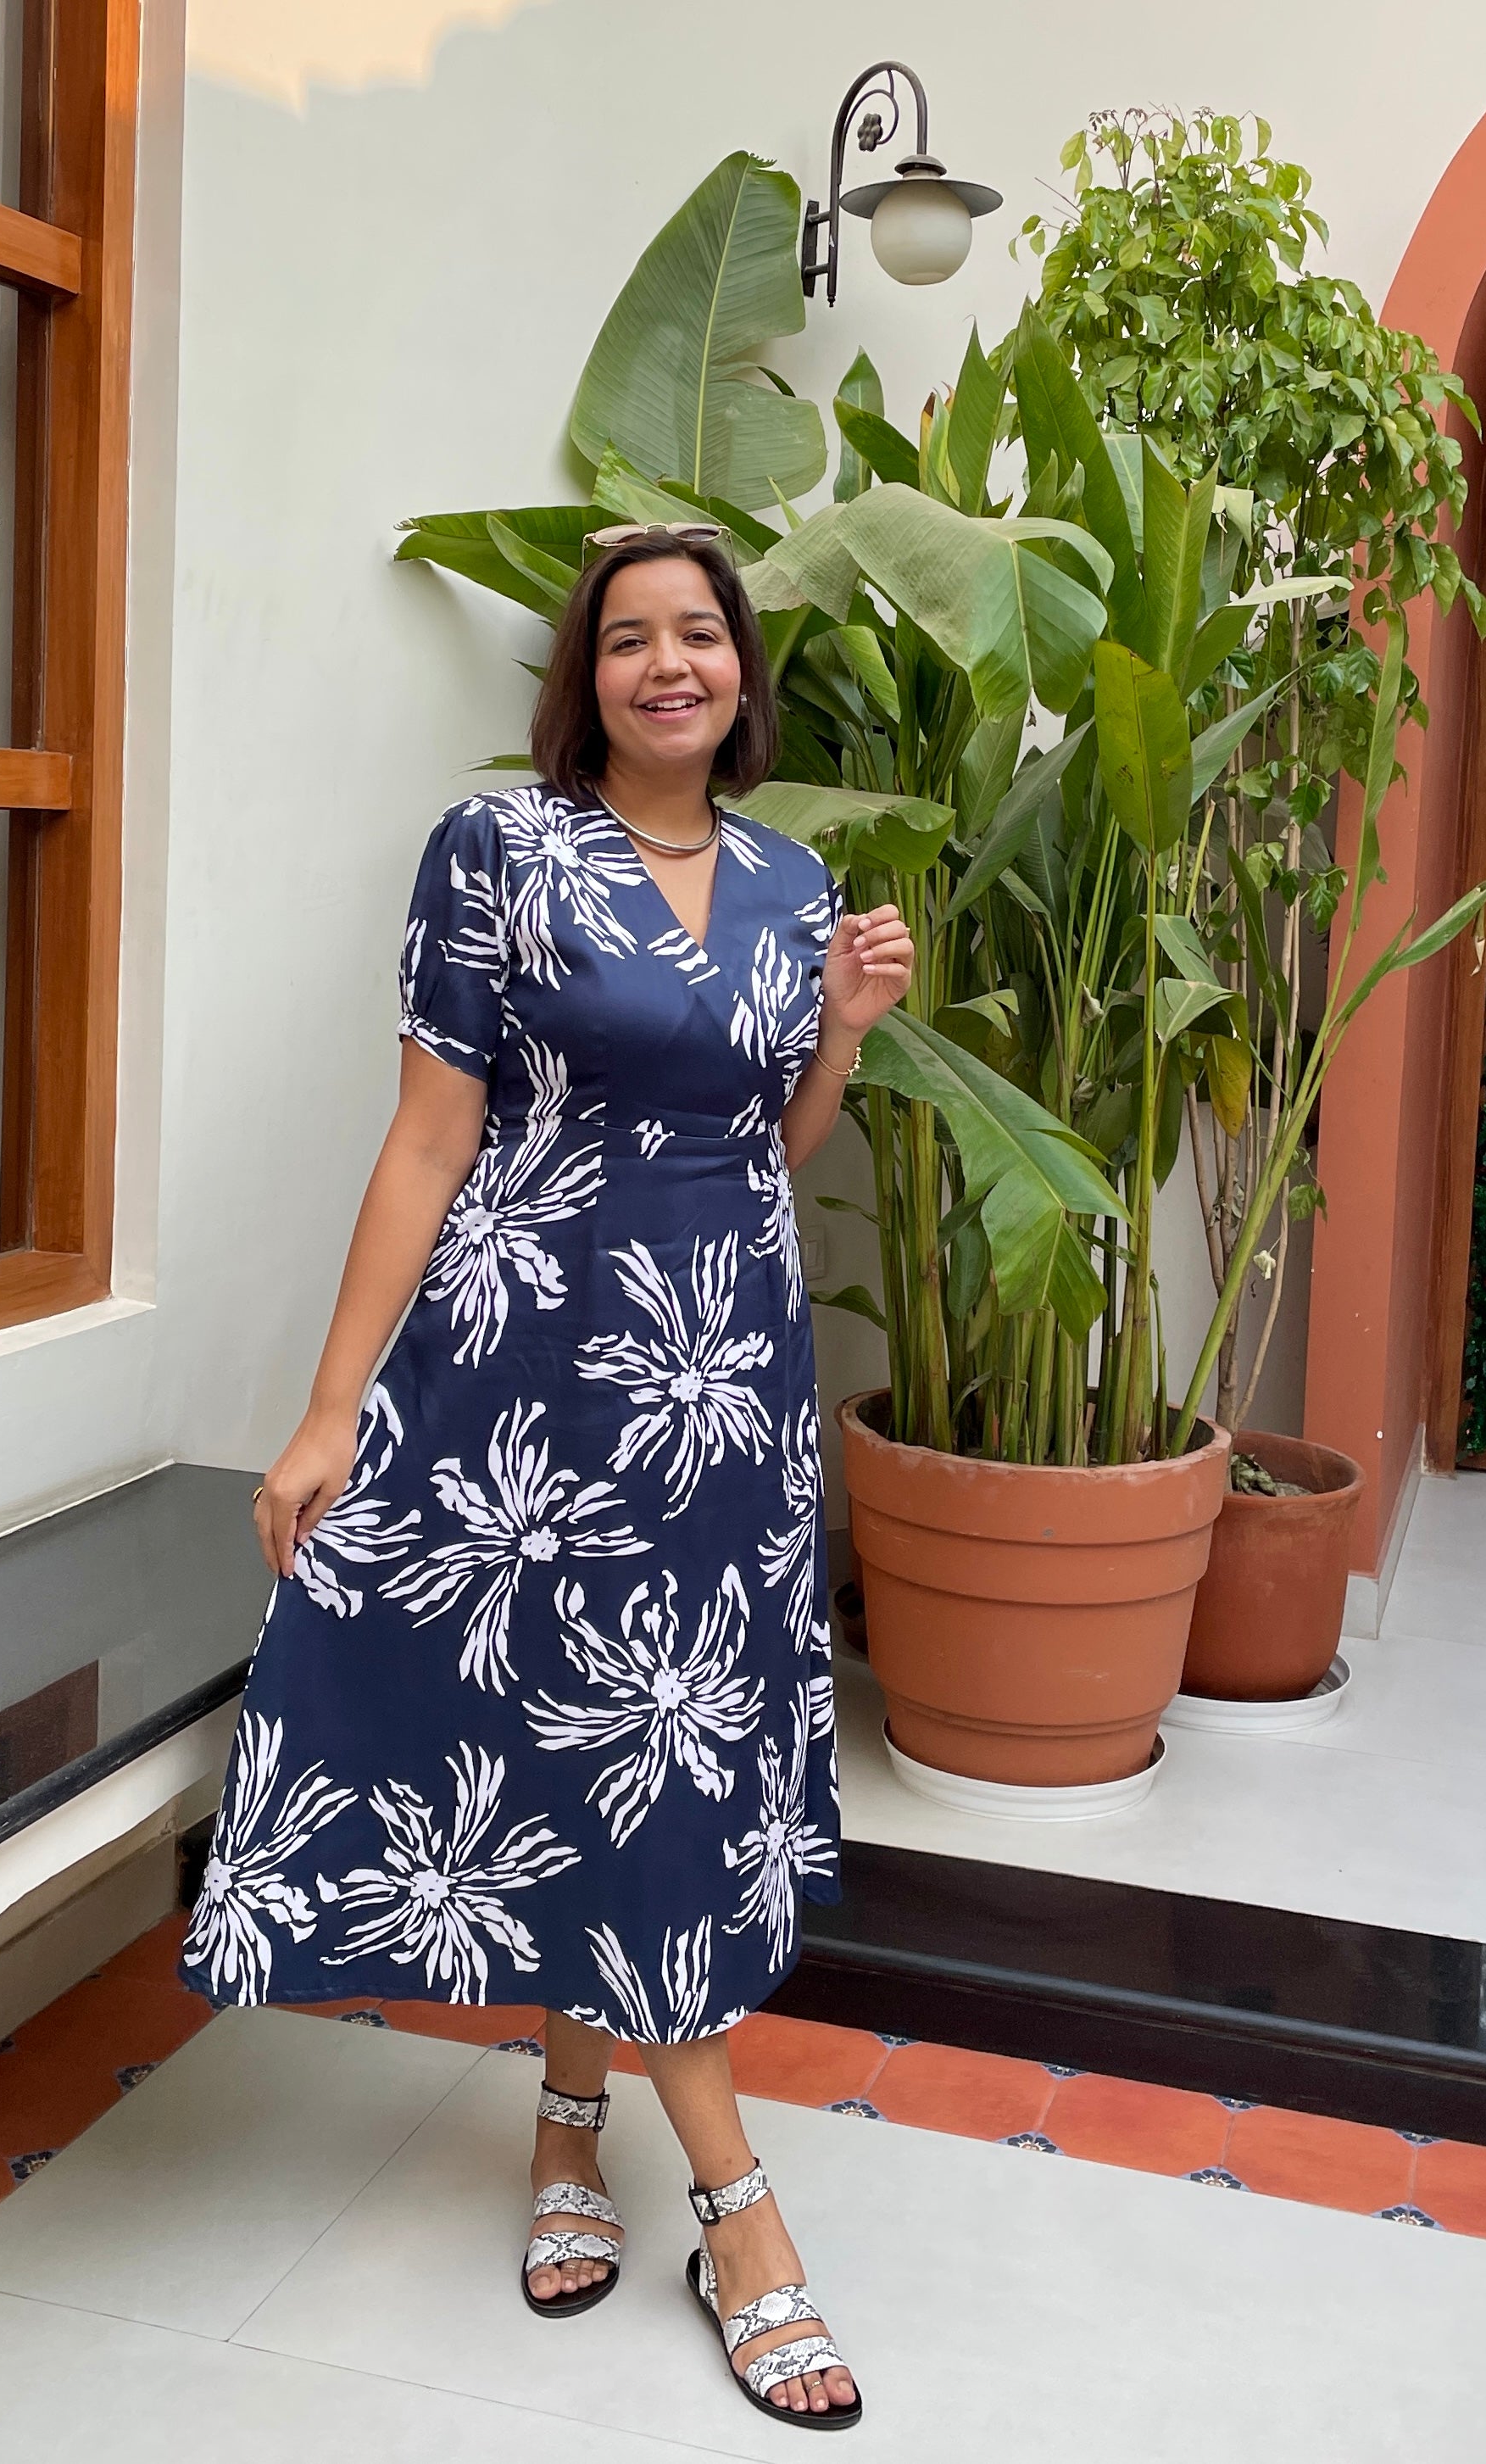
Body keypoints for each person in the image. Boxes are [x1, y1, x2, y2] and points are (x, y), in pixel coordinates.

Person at [181, 522, 914, 2429]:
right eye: (626, 640)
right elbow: (427, 1143)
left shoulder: (786, 879)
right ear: (582, 678)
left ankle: (569, 2127)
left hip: (729, 1386)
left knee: (653, 1747)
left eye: (698, 636)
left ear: (743, 673)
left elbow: (772, 1139)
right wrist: (332, 1407)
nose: (664, 664)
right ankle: (741, 2215)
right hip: (533, 1374)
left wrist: (838, 1026)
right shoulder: (495, 852)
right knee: (598, 1737)